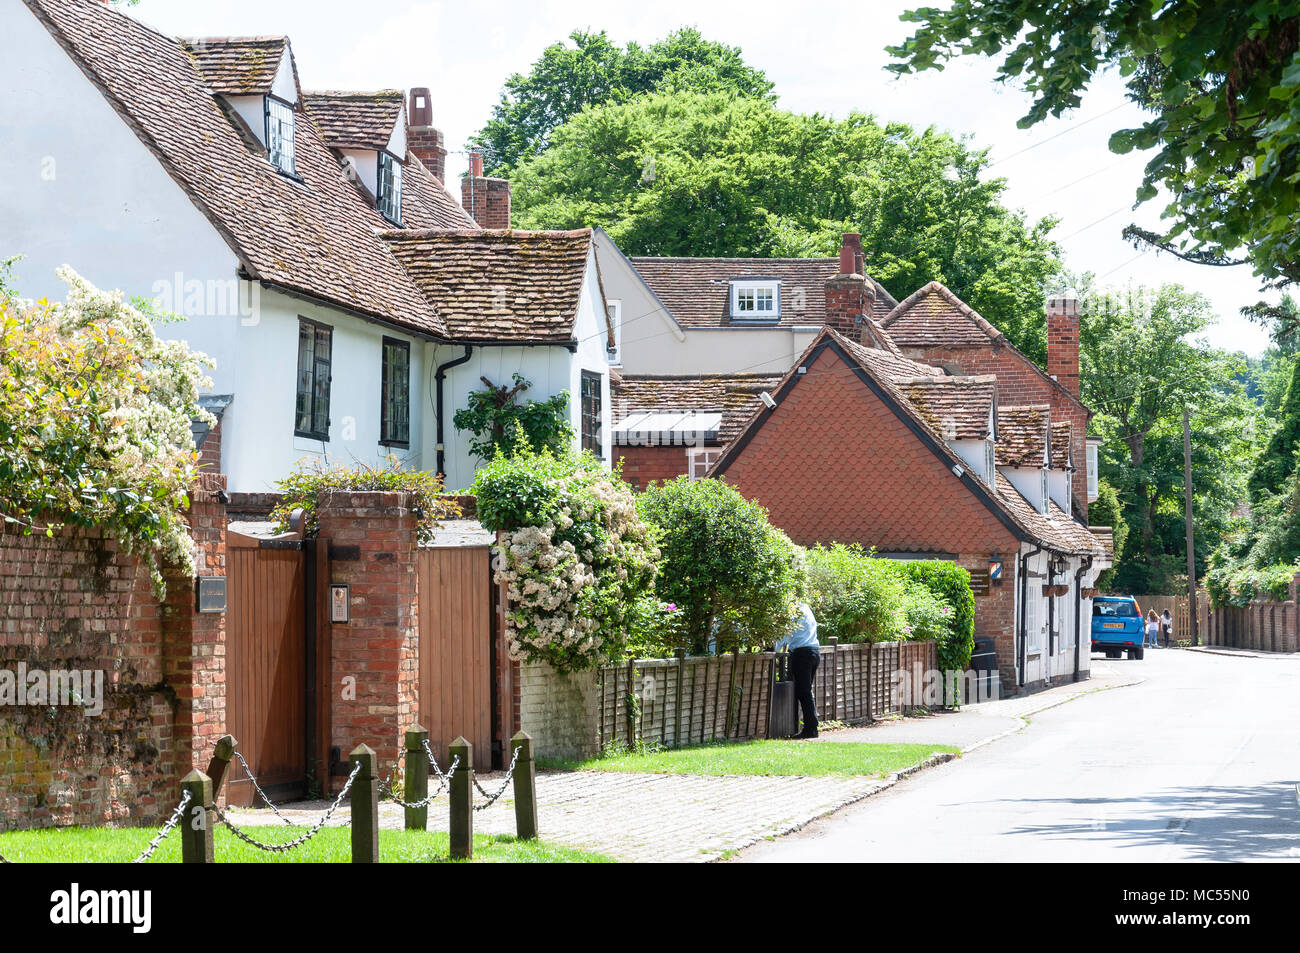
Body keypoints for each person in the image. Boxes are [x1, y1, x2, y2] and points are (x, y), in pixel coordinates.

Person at [775, 602, 820, 738]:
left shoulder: (793, 610)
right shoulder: (806, 607)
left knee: (804, 692)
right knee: (806, 692)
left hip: (802, 654)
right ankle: (811, 727)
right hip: (814, 651)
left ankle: (811, 729)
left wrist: (774, 650)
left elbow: (786, 635)